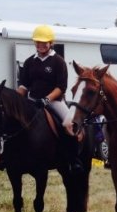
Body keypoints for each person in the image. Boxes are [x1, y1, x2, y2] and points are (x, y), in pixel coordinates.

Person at [16, 25, 82, 171]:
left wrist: (46, 99)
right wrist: (16, 99)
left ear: (51, 43)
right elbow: (24, 85)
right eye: (38, 42)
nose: (40, 45)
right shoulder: (28, 62)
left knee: (68, 124)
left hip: (54, 101)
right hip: (32, 101)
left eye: (44, 42)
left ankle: (74, 158)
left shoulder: (58, 61)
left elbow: (61, 87)